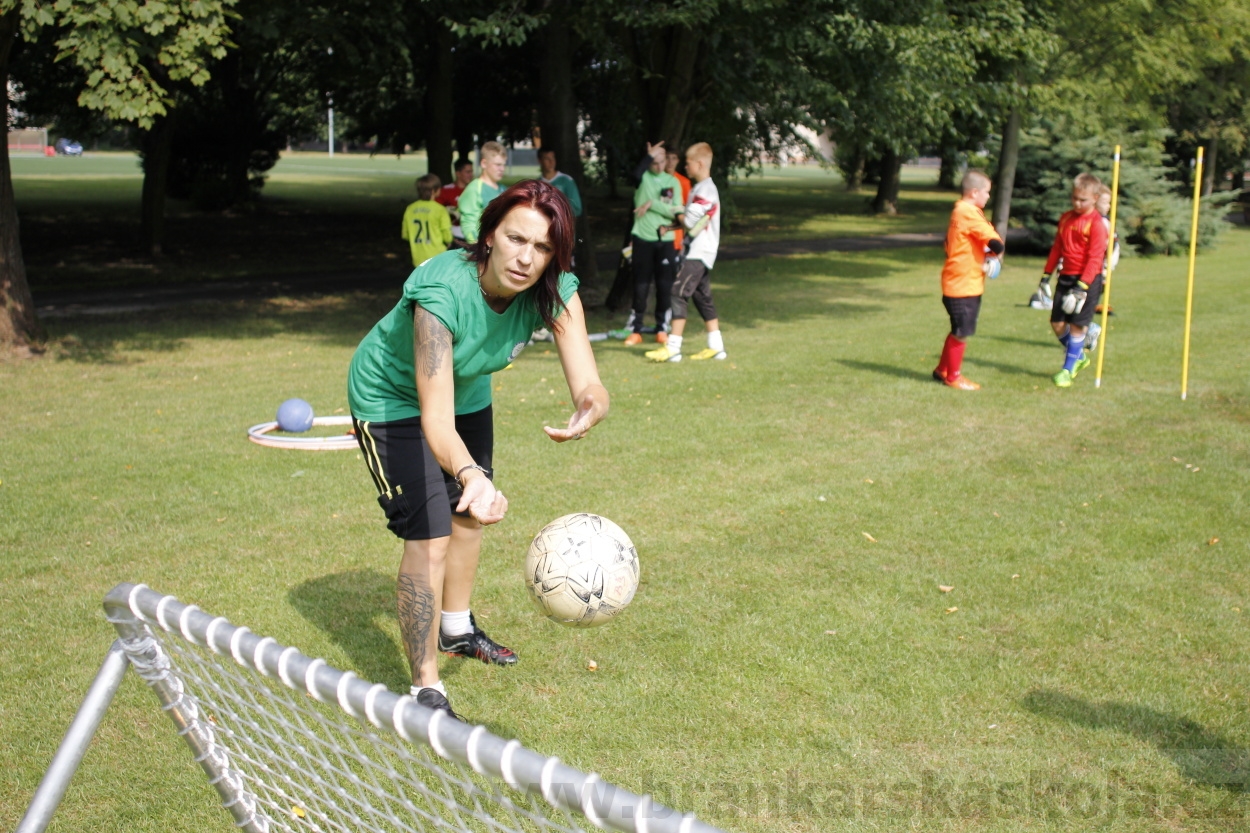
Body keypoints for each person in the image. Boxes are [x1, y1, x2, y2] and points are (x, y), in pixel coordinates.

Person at [347, 180, 609, 720]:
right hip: (390, 398)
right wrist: (469, 472)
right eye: (516, 239)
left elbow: (589, 380)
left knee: (468, 517)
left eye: (542, 247)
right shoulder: (442, 294)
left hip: (465, 392)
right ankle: (424, 688)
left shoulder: (553, 289)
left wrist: (592, 405)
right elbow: (434, 420)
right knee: (430, 535)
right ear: (489, 235)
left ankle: (456, 628)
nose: (526, 258)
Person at [646, 142, 727, 362]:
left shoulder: (706, 190)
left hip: (699, 252)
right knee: (702, 297)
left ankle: (673, 347)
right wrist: (671, 227)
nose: (685, 166)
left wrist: (673, 208)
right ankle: (716, 346)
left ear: (699, 164)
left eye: (688, 163)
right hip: (696, 250)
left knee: (677, 292)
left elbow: (690, 222)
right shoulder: (698, 188)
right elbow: (694, 221)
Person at [932, 169, 1004, 391]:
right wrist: (994, 253)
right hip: (963, 285)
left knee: (957, 329)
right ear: (974, 192)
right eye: (986, 192)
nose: (988, 196)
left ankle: (942, 370)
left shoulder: (960, 210)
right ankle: (953, 377)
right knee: (962, 332)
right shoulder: (969, 212)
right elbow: (995, 242)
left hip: (958, 281)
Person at [1043, 172, 1109, 388]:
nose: (1077, 203)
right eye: (1074, 198)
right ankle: (1079, 356)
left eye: (1083, 200)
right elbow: (1057, 247)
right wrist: (1046, 274)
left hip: (1087, 280)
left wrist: (1082, 287)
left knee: (1077, 327)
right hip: (1065, 276)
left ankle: (1067, 370)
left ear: (1095, 198)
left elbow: (1095, 258)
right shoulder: (1066, 218)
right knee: (1057, 323)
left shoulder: (1097, 224)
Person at [624, 142, 684, 347]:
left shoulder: (672, 182)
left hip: (665, 241)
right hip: (642, 238)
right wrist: (648, 156)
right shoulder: (643, 178)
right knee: (640, 285)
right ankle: (637, 330)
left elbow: (676, 210)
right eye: (654, 163)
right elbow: (633, 176)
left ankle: (661, 329)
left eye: (662, 162)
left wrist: (652, 204)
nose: (658, 166)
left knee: (664, 286)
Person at [459, 142, 508, 245]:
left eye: (504, 165)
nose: (502, 169)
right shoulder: (474, 189)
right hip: (483, 247)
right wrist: (477, 246)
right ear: (484, 163)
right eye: (498, 165)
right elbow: (469, 223)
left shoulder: (504, 189)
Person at [401, 174, 453, 267]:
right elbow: (447, 237)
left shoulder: (410, 209)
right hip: (438, 257)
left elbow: (405, 235)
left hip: (418, 258)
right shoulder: (440, 210)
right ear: (434, 191)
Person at [436, 159, 475, 245]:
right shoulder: (446, 190)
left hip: (473, 233)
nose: (471, 175)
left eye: (471, 171)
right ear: (458, 173)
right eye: (467, 172)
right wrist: (449, 212)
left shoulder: (475, 190)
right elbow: (435, 210)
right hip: (453, 234)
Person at [537, 148, 582, 218]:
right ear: (540, 161)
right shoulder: (537, 183)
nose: (551, 162)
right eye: (547, 158)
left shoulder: (567, 180)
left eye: (553, 158)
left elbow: (576, 208)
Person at [665, 150, 691, 255]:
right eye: (667, 158)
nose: (670, 162)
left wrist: (685, 237)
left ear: (678, 161)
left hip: (676, 235)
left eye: (674, 158)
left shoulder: (684, 182)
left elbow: (687, 210)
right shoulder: (656, 180)